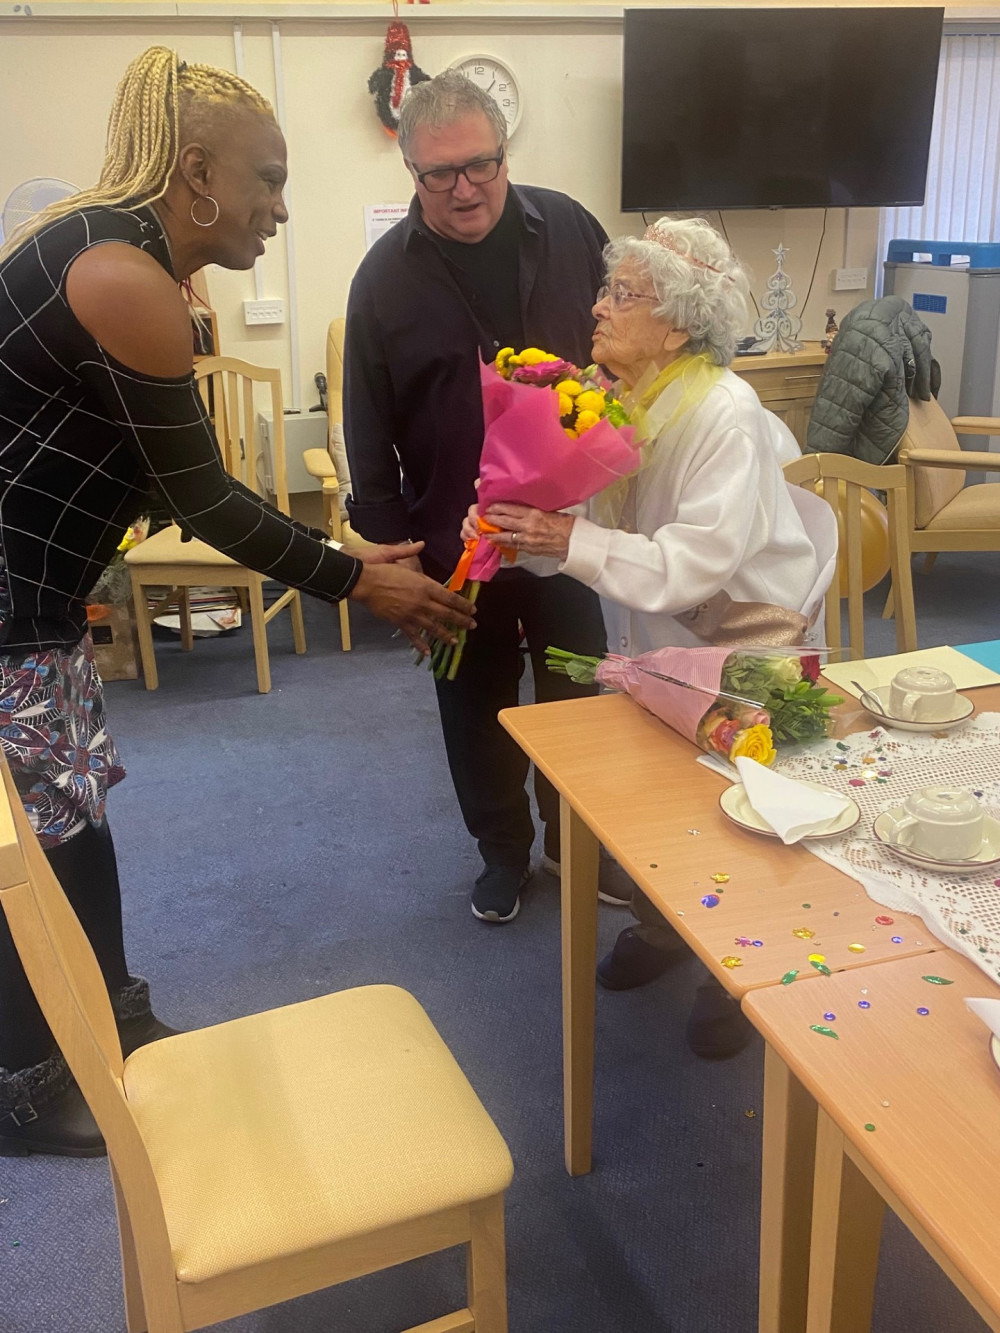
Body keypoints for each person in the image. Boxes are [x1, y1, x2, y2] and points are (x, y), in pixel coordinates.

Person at [0, 47, 474, 1158]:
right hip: (11, 614)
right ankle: (27, 1086)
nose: (279, 208)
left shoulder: (131, 263)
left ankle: (114, 1019)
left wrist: (346, 549)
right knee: (35, 852)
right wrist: (361, 578)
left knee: (74, 827)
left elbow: (176, 480)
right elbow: (204, 499)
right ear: (197, 173)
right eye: (267, 179)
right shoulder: (122, 278)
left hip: (36, 607)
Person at [467, 217, 834, 1056]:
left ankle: (734, 972)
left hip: (746, 648)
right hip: (660, 640)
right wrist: (521, 527)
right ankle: (671, 931)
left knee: (735, 811)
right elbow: (596, 537)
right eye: (605, 289)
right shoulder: (623, 399)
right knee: (666, 807)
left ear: (677, 323)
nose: (596, 308)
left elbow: (694, 566)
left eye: (621, 294)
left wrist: (568, 540)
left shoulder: (726, 413)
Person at [344, 70, 634, 924]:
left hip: (568, 539)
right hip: (451, 548)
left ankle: (575, 844)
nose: (466, 187)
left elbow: (620, 344)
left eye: (482, 164)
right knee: (471, 709)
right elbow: (367, 425)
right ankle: (502, 852)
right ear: (412, 174)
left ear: (504, 152)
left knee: (579, 695)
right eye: (442, 174)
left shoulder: (571, 225)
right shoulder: (382, 280)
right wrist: (390, 553)